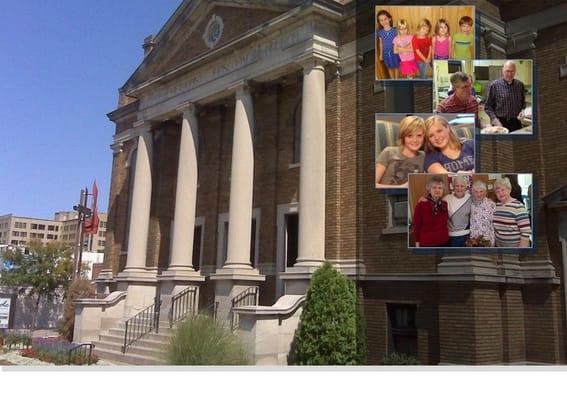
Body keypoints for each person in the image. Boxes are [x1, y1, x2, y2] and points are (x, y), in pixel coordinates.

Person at [375, 116, 425, 188]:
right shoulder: (388, 152)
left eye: (419, 135)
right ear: (403, 136)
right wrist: (401, 187)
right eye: (410, 136)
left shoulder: (423, 156)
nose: (415, 140)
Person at [485, 61, 527, 132]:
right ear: (503, 71)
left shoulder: (520, 85)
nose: (510, 74)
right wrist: (494, 120)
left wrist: (523, 111)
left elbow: (523, 103)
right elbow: (488, 107)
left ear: (515, 71)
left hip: (516, 122)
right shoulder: (494, 85)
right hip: (499, 122)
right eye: (507, 71)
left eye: (512, 71)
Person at [492, 177, 532, 248]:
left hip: (515, 248)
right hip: (500, 246)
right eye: (498, 191)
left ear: (509, 190)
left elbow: (525, 232)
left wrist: (521, 251)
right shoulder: (497, 206)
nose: (500, 193)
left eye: (503, 190)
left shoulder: (518, 206)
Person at [412, 175, 449, 247]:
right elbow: (416, 226)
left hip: (444, 241)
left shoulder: (444, 204)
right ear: (429, 189)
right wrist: (417, 242)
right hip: (427, 243)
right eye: (434, 187)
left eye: (440, 188)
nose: (437, 190)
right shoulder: (421, 205)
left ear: (443, 190)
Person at [443, 175, 472, 247]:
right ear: (453, 186)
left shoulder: (470, 197)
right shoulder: (446, 198)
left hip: (467, 234)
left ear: (466, 187)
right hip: (452, 236)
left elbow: (480, 200)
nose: (459, 188)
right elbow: (435, 204)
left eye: (462, 186)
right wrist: (426, 198)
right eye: (457, 186)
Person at [470, 180, 496, 246]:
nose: (479, 194)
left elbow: (495, 223)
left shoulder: (491, 204)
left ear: (485, 192)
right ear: (473, 193)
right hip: (474, 240)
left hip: (488, 239)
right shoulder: (471, 204)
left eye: (481, 191)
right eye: (476, 192)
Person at [376, 10, 400, 80]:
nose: (384, 22)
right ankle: (393, 80)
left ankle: (396, 80)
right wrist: (380, 54)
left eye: (385, 19)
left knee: (396, 66)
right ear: (379, 22)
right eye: (381, 20)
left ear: (389, 19)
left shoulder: (395, 30)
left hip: (395, 52)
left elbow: (398, 41)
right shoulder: (380, 32)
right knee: (389, 67)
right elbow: (381, 43)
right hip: (386, 53)